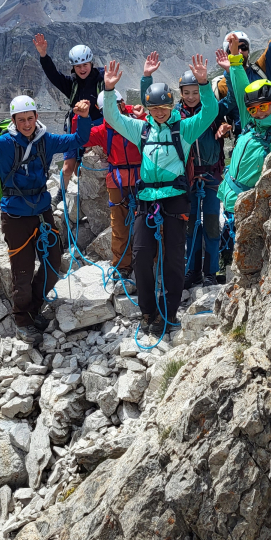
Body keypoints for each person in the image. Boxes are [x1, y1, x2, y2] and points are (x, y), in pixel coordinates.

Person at [103, 54, 219, 337]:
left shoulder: (184, 128)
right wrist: (108, 91)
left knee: (173, 258)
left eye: (163, 107)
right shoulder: (141, 129)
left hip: (175, 196)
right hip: (147, 198)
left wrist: (204, 84)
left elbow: (209, 113)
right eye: (154, 108)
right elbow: (113, 118)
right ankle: (148, 312)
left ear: (171, 106)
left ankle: (168, 312)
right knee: (142, 254)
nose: (158, 112)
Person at [0, 95, 91, 344]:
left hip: (42, 213)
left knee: (53, 263)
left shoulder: (46, 140)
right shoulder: (5, 143)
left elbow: (80, 139)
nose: (27, 124)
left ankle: (33, 309)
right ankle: (22, 321)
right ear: (14, 120)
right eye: (21, 120)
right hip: (15, 216)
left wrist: (84, 117)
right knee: (22, 272)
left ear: (36, 117)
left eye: (30, 118)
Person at [216, 34, 271, 255]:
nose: (258, 112)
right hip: (231, 200)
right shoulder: (251, 122)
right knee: (227, 248)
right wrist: (234, 60)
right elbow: (242, 85)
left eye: (263, 106)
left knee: (246, 253)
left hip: (250, 206)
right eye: (252, 109)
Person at [83, 89, 146, 290]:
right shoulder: (103, 130)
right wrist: (80, 118)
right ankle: (122, 266)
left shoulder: (137, 122)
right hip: (121, 180)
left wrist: (137, 112)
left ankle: (150, 260)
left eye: (118, 105)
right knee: (120, 227)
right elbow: (82, 138)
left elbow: (155, 127)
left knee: (148, 223)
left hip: (139, 178)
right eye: (109, 108)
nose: (115, 110)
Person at [33, 33, 104, 205]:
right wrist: (44, 55)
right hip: (75, 128)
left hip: (98, 128)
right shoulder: (71, 83)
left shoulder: (102, 79)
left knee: (96, 162)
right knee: (67, 168)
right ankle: (61, 194)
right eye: (78, 66)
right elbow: (53, 75)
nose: (82, 69)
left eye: (85, 64)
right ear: (73, 67)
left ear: (91, 63)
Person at [176, 66, 231, 289]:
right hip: (188, 177)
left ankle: (210, 272)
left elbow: (233, 106)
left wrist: (226, 127)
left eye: (195, 92)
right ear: (180, 93)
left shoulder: (212, 112)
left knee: (209, 225)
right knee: (190, 227)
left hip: (210, 175)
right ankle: (193, 271)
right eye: (186, 92)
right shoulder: (175, 116)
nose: (190, 97)